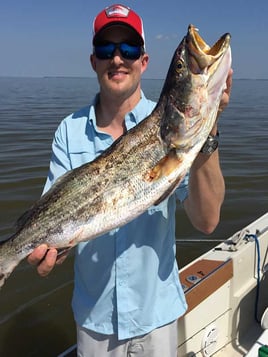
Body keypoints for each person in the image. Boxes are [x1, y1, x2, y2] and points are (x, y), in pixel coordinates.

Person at [28, 4, 232, 357]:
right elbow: (52, 218)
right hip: (95, 321)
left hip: (157, 318)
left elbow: (208, 220)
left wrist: (208, 130)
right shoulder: (69, 132)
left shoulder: (172, 134)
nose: (118, 59)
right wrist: (50, 251)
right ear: (94, 61)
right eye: (107, 49)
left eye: (129, 49)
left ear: (144, 61)